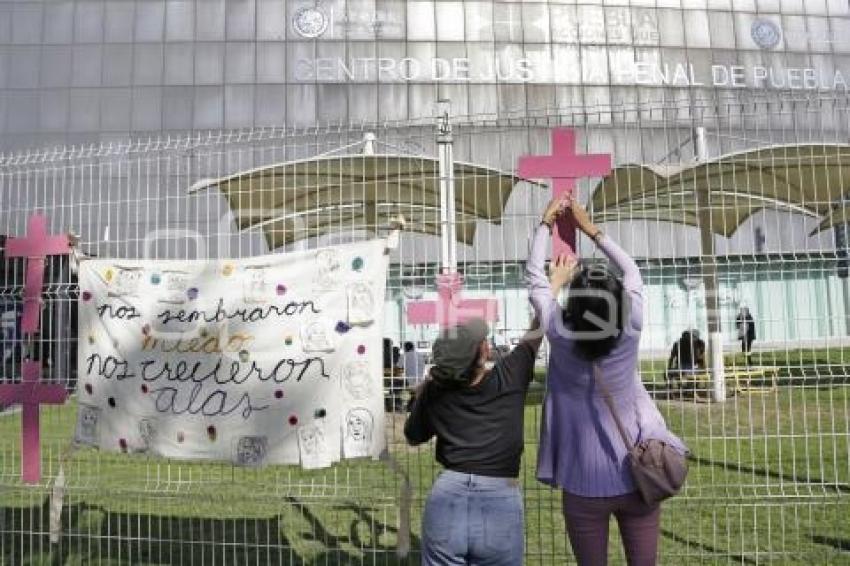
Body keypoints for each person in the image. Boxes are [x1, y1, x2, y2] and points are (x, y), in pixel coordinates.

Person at [526, 196, 688, 566]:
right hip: (638, 472)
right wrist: (592, 230)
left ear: (573, 305)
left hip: (582, 484)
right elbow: (633, 273)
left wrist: (544, 227)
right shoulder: (631, 326)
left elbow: (535, 280)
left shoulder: (558, 329)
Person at [404, 316, 543, 565]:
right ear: (483, 353)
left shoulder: (435, 392)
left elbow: (413, 436)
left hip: (447, 494)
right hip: (500, 496)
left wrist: (423, 392)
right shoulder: (509, 376)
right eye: (483, 342)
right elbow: (536, 331)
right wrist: (553, 286)